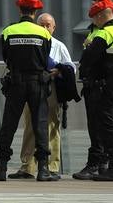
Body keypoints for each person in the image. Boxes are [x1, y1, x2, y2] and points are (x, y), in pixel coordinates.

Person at [0, 0, 54, 182]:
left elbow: (6, 57)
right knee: (40, 124)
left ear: (20, 11)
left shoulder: (9, 31)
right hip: (37, 83)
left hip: (16, 82)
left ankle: (1, 169)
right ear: (35, 13)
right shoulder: (43, 33)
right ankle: (43, 169)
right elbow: (46, 58)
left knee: (9, 124)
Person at [8, 12, 74, 179]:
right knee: (30, 125)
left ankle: (52, 166)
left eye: (48, 25)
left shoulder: (59, 46)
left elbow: (70, 67)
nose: (45, 28)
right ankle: (28, 166)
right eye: (41, 25)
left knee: (51, 126)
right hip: (33, 86)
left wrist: (58, 70)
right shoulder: (33, 43)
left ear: (54, 27)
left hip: (50, 88)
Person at [78, 0, 113, 181]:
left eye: (95, 18)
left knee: (108, 125)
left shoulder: (104, 34)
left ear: (101, 16)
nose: (94, 22)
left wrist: (85, 73)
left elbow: (87, 61)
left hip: (105, 86)